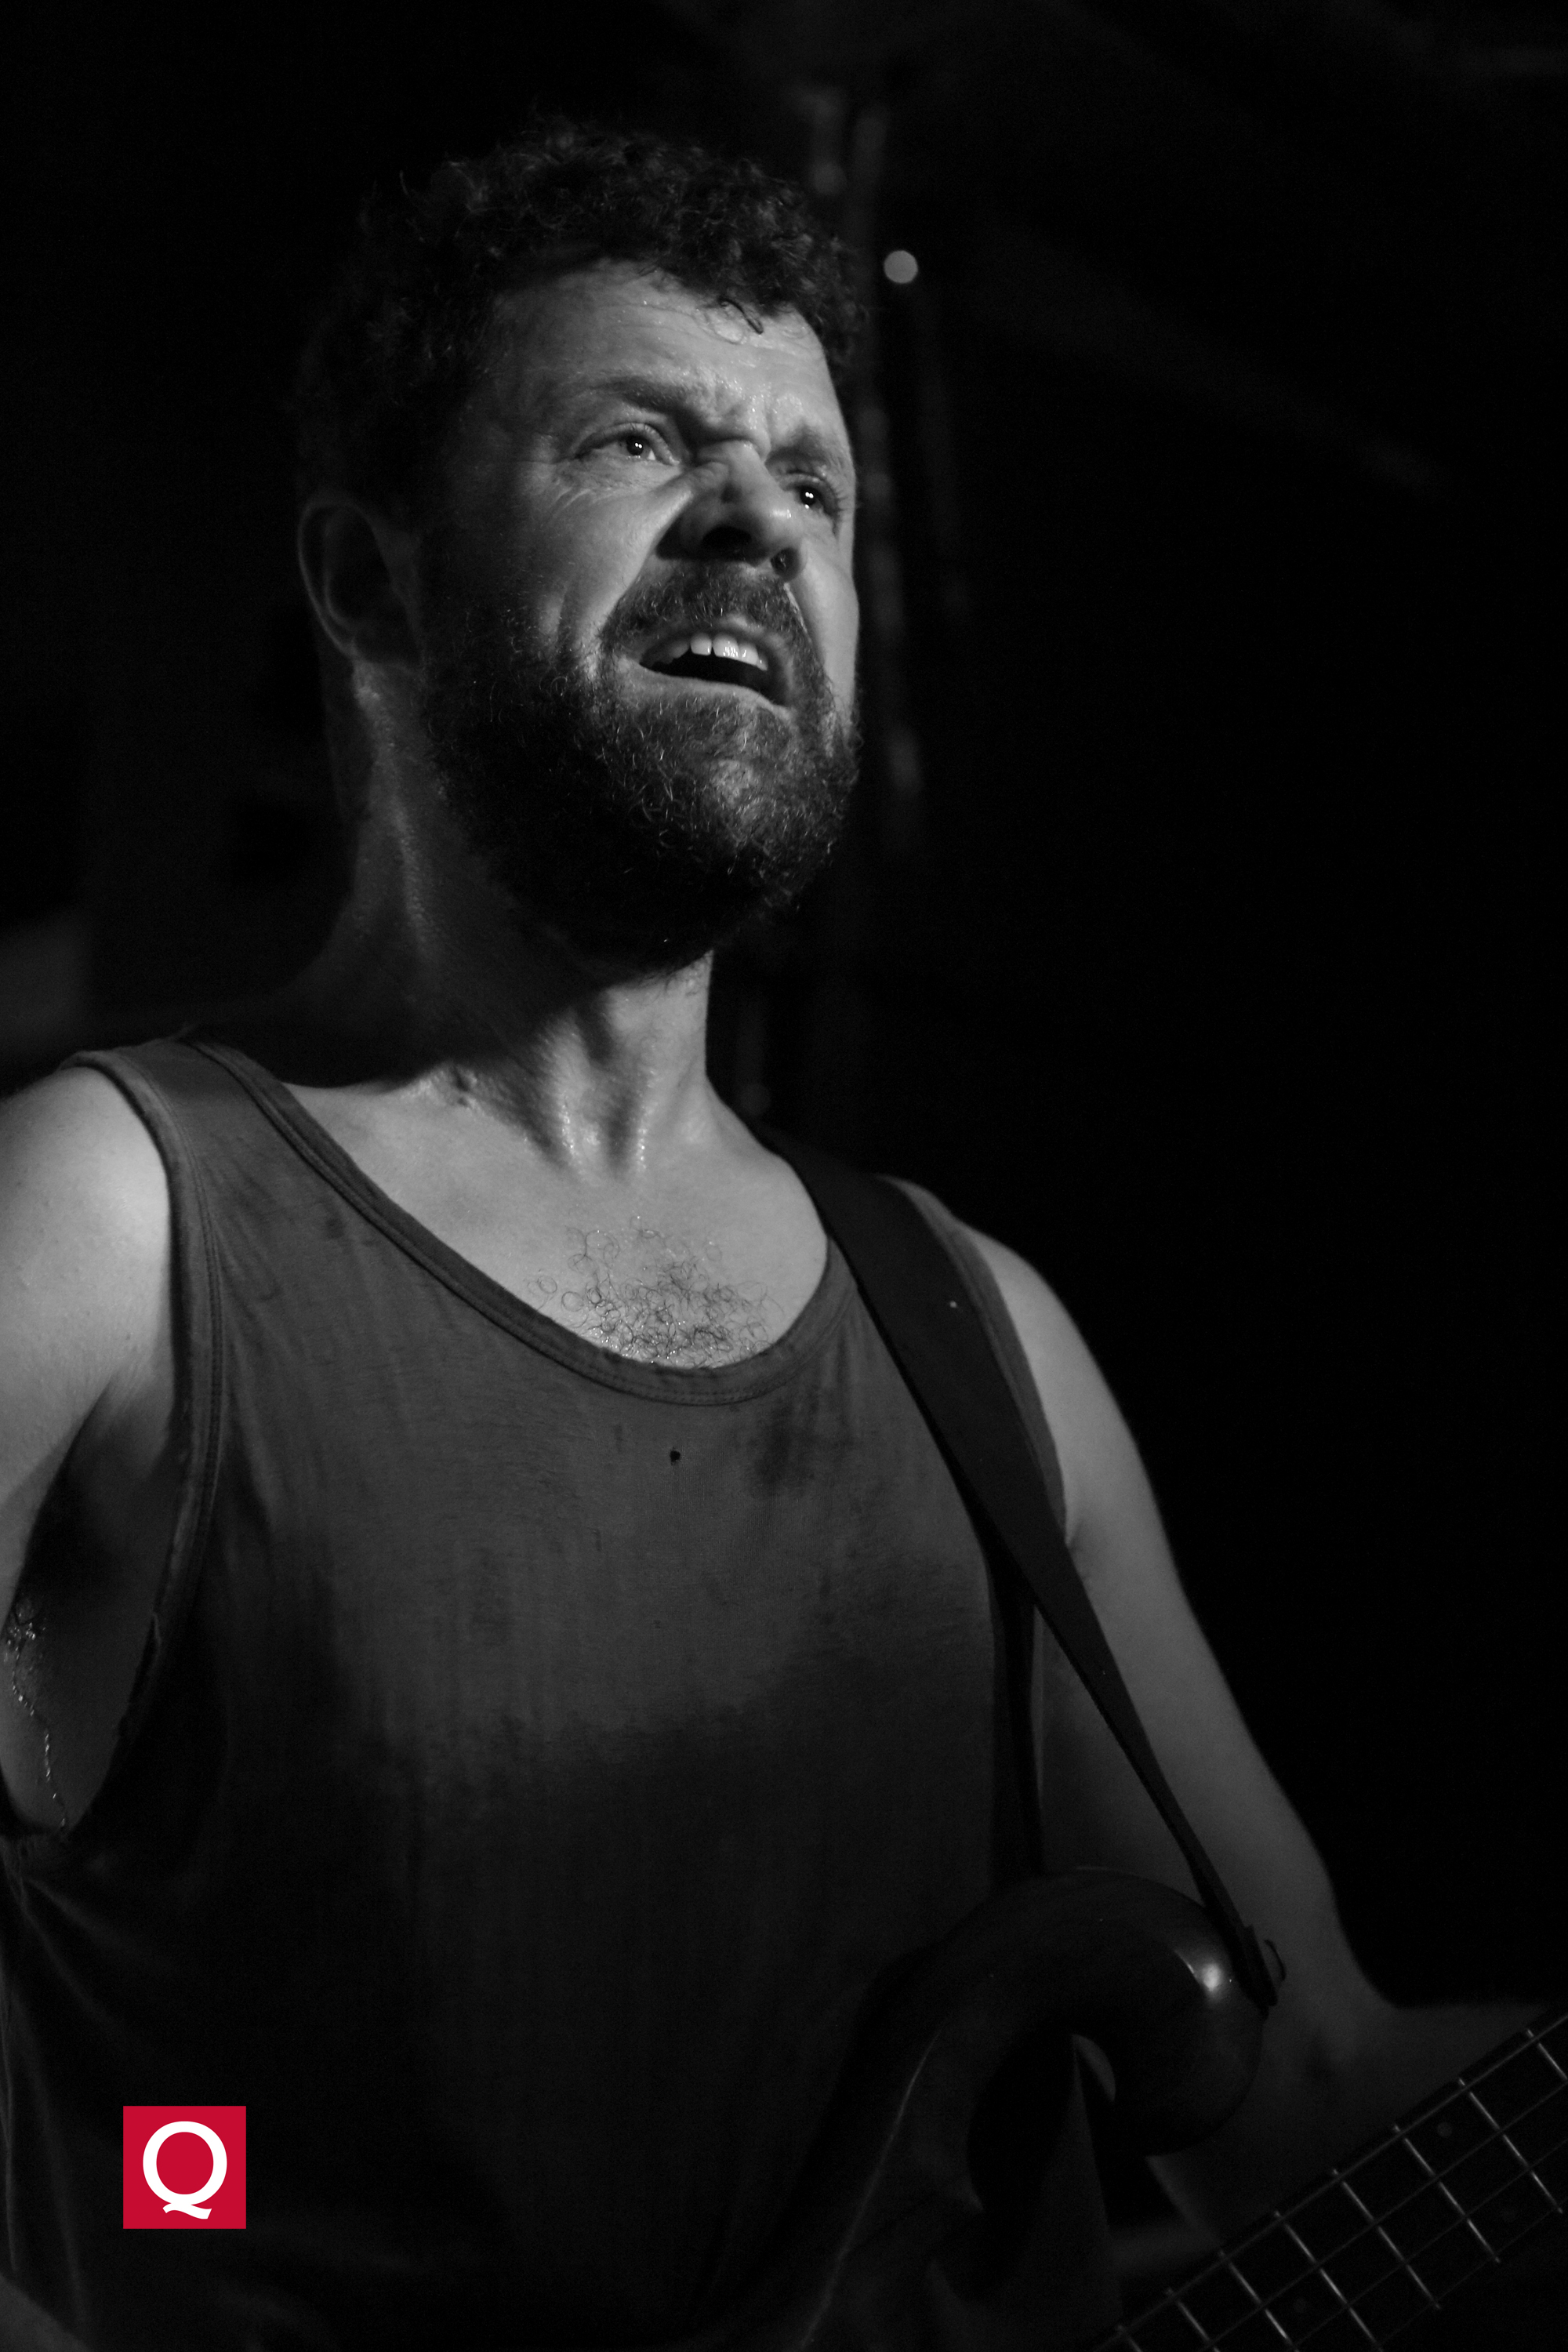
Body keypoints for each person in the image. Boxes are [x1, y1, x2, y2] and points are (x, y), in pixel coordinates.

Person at [0, 118, 1534, 2352]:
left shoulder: (981, 1339)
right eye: (637, 442)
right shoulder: (105, 1220)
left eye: (814, 483)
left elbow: (1301, 2096)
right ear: (367, 582)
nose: (757, 519)